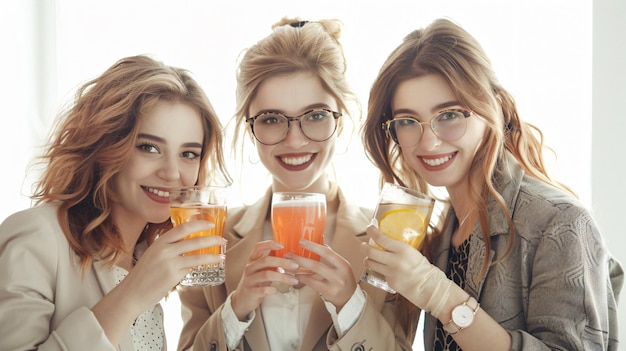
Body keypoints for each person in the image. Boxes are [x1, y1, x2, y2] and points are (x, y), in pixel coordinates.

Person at [361, 18, 623, 351]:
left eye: (449, 115)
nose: (428, 142)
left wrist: (439, 295)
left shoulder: (561, 222)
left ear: (494, 107)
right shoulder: (446, 232)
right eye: (408, 121)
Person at [177, 18, 416, 351]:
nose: (295, 140)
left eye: (315, 115)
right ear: (250, 128)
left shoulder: (389, 239)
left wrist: (351, 306)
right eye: (272, 119)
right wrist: (236, 308)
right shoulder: (211, 237)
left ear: (340, 120)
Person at [0, 55, 231, 351]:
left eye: (188, 154)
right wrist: (132, 295)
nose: (172, 173)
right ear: (106, 145)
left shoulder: (143, 256)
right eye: (149, 147)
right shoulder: (37, 236)